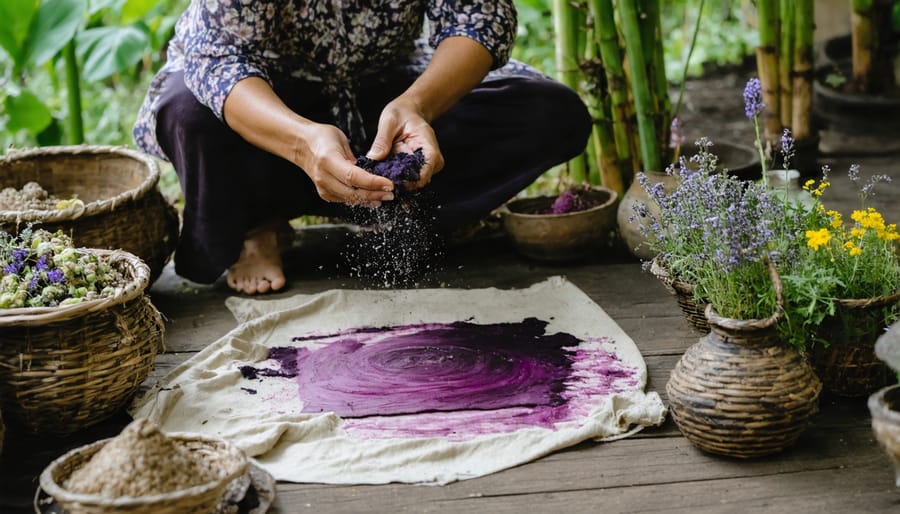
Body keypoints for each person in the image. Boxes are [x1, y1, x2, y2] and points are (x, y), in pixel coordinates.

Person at [134, 0, 592, 294]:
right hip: (269, 96)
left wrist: (417, 106)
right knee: (187, 110)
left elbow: (481, 18)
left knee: (549, 112)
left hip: (389, 84)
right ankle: (257, 224)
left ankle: (403, 205)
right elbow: (216, 57)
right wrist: (301, 143)